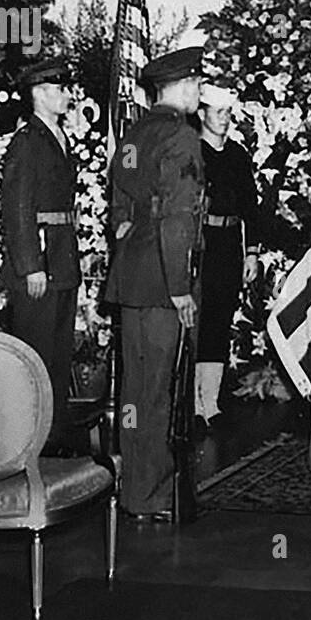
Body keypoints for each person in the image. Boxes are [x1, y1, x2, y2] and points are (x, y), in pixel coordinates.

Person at [103, 46, 205, 522]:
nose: (199, 93)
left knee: (134, 391)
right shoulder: (182, 138)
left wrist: (125, 226)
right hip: (164, 281)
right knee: (160, 392)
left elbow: (119, 190)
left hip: (131, 274)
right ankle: (155, 494)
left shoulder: (134, 133)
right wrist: (180, 287)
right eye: (197, 85)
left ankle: (133, 491)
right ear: (181, 87)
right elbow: (179, 219)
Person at [0, 58, 85, 455]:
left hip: (61, 261)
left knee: (58, 351)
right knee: (36, 351)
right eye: (59, 87)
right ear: (38, 92)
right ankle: (32, 437)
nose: (67, 94)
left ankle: (54, 431)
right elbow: (17, 208)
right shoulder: (27, 141)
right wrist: (31, 265)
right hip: (41, 266)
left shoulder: (57, 137)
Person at [193, 83, 262, 425]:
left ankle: (211, 400)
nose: (224, 119)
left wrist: (251, 253)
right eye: (218, 113)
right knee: (199, 321)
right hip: (201, 243)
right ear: (202, 114)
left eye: (228, 113)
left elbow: (251, 206)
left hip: (229, 245)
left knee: (220, 321)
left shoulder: (236, 155)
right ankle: (192, 403)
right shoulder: (193, 152)